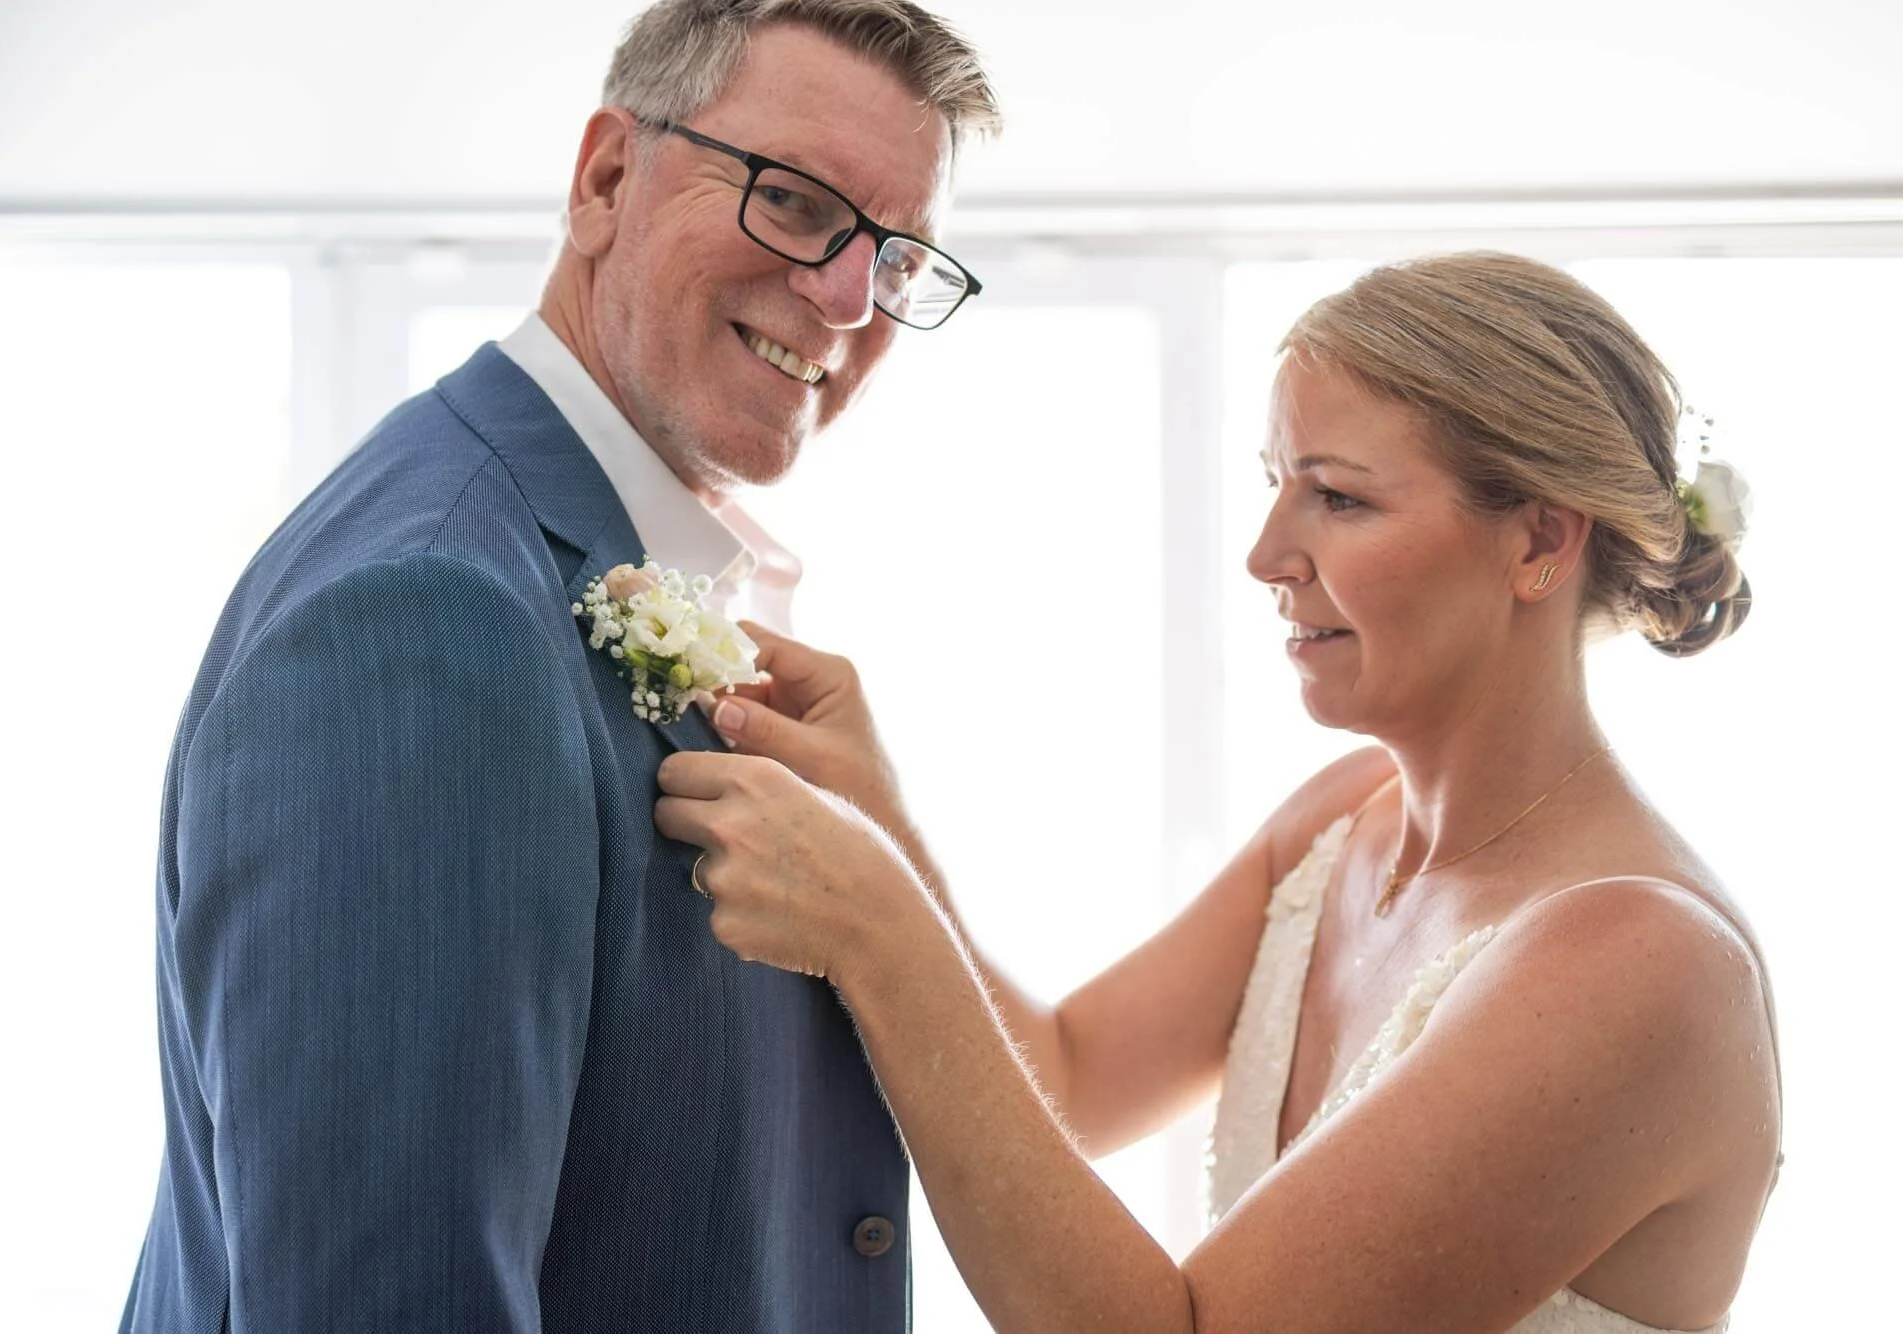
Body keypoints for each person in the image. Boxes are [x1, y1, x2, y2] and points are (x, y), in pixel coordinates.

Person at [658, 252, 1782, 1332]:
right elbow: (1068, 1079)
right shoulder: (1341, 819)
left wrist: (880, 933)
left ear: (1538, 539)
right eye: (1273, 484)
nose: (1263, 554)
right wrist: (878, 821)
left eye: (1335, 498)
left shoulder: (1639, 963)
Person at [120, 2, 998, 1329]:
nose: (846, 296)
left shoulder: (592, 564)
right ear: (603, 180)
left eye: (896, 253)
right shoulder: (425, 619)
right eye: (798, 202)